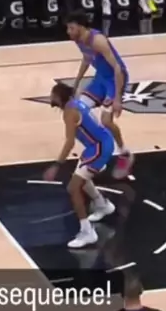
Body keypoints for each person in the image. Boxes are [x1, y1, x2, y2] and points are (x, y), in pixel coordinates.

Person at [43, 83, 116, 248]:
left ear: (59, 97)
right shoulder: (76, 104)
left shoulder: (70, 113)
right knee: (82, 177)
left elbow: (69, 143)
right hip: (98, 144)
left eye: (53, 95)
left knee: (73, 187)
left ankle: (88, 232)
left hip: (99, 148)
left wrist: (56, 165)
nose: (50, 98)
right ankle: (102, 205)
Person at [66, 10, 133, 177]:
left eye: (71, 28)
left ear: (81, 27)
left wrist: (117, 98)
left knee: (106, 121)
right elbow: (86, 59)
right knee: (77, 111)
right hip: (101, 77)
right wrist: (76, 83)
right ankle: (97, 152)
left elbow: (118, 68)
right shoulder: (79, 40)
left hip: (114, 79)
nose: (68, 32)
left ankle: (124, 153)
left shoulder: (98, 40)